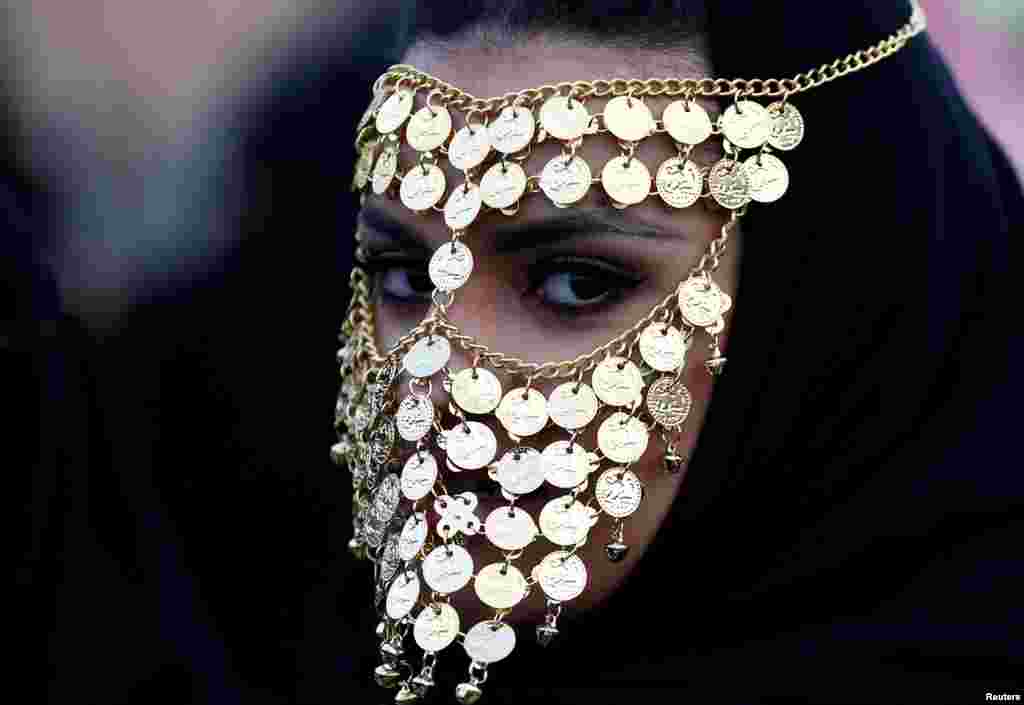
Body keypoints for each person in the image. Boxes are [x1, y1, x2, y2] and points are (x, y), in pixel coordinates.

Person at [31, 1, 1021, 704]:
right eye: (404, 277)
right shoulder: (289, 643)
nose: (432, 374)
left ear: (824, 318)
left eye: (576, 285)